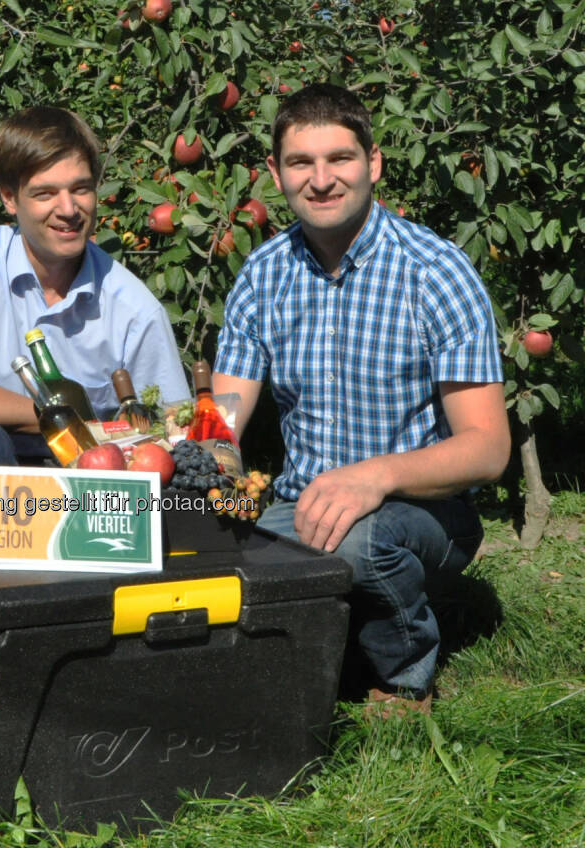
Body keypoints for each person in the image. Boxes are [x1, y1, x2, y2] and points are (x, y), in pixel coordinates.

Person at [213, 84, 510, 715]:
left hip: (423, 511)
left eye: (339, 159)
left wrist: (374, 477)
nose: (321, 180)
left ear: (372, 163)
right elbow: (223, 422)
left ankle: (402, 678)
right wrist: (215, 473)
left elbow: (487, 450)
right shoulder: (262, 276)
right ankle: (318, 643)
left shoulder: (436, 272)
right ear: (276, 174)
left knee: (362, 541)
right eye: (300, 163)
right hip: (303, 504)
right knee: (207, 546)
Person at [0, 105, 189, 470]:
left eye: (81, 189)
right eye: (45, 194)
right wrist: (59, 417)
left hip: (83, 479)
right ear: (9, 198)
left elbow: (173, 431)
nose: (68, 209)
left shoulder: (134, 309)